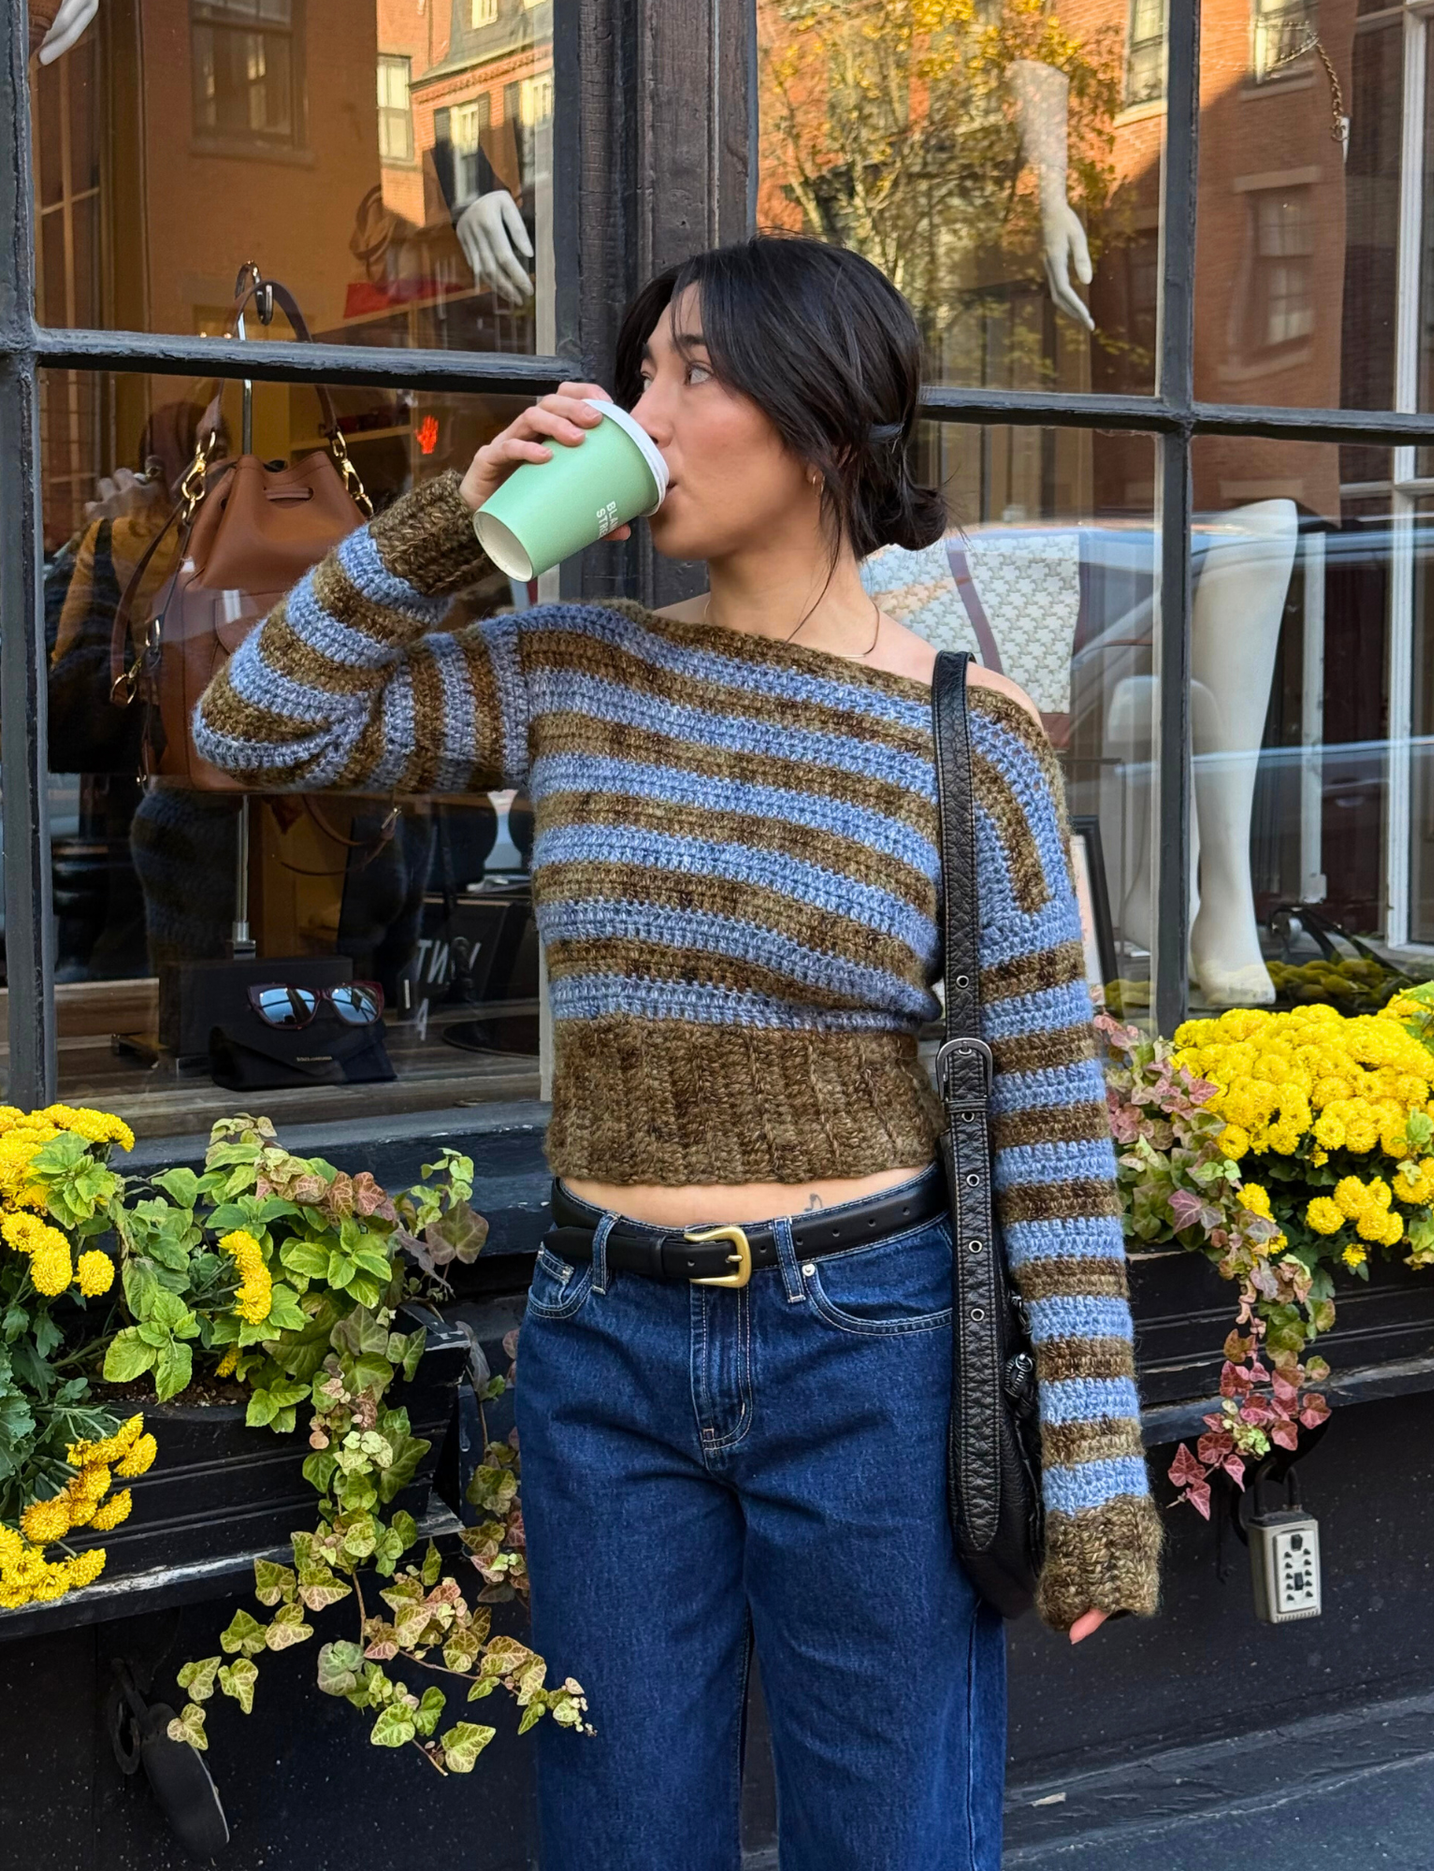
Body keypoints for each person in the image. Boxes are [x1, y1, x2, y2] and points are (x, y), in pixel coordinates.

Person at [194, 234, 1160, 1871]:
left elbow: (1050, 1121)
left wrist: (1093, 1476)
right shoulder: (580, 673)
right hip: (605, 1345)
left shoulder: (965, 735)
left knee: (895, 1841)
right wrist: (449, 527)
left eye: (690, 373)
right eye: (643, 369)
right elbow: (254, 723)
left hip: (871, 1350)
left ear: (823, 424)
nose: (638, 412)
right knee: (620, 1836)